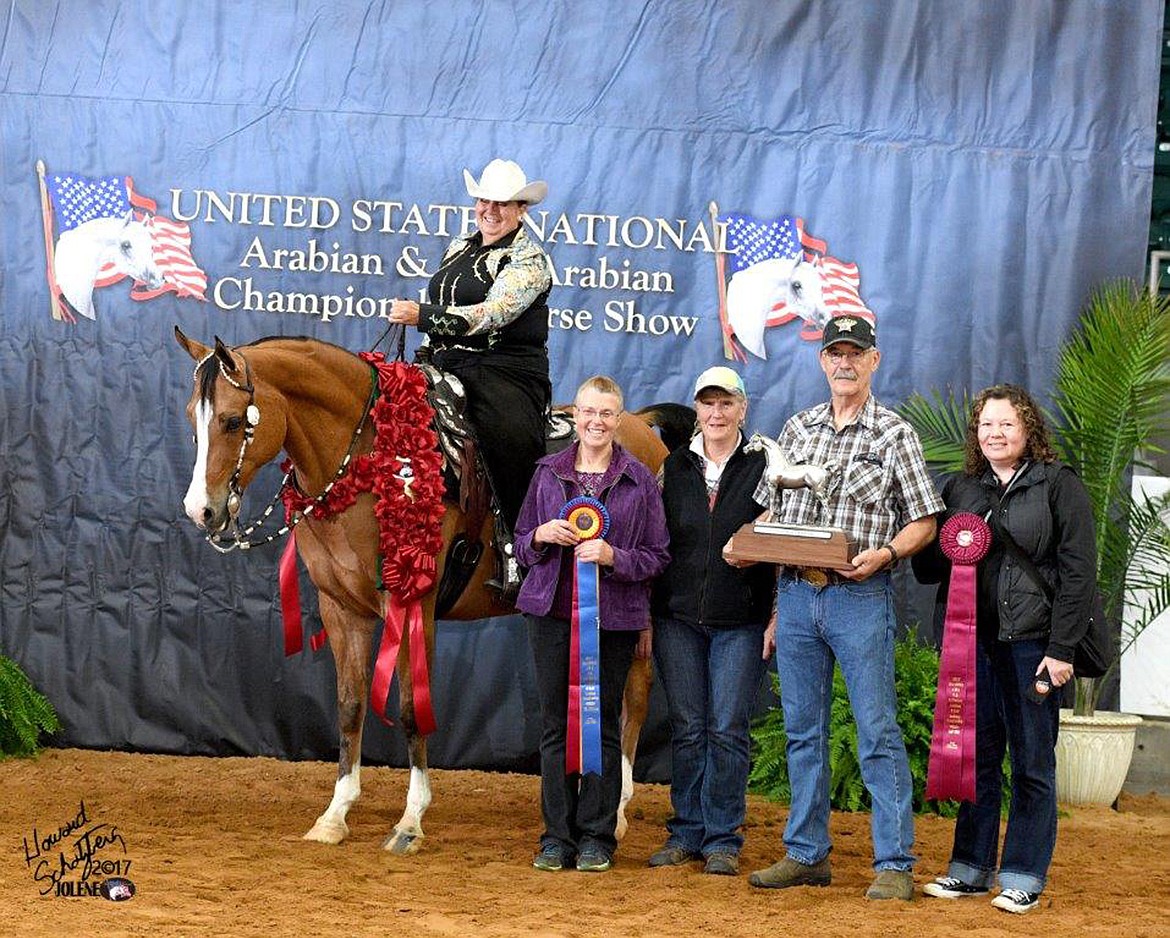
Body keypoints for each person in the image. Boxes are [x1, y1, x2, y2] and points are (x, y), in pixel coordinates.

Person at [748, 315, 944, 901]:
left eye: (855, 353)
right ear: (821, 360)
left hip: (860, 594)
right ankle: (807, 854)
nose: (844, 363)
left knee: (876, 730)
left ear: (874, 361)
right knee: (803, 731)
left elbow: (925, 522)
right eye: (835, 352)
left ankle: (894, 863)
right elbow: (767, 512)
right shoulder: (798, 429)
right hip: (798, 596)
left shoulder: (894, 434)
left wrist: (886, 553)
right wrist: (743, 544)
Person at [912, 384, 1095, 914]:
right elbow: (932, 571)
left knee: (1033, 761)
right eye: (986, 425)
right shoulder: (962, 487)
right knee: (978, 757)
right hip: (974, 647)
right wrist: (931, 536)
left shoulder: (1057, 485)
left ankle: (1023, 875)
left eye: (1006, 424)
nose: (995, 433)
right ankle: (970, 869)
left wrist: (1061, 649)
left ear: (1028, 430)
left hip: (1035, 645)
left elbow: (1079, 572)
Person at [514, 375, 670, 873]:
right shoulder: (546, 473)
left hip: (615, 618)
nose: (596, 422)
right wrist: (540, 534)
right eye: (588, 413)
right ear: (573, 418)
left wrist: (613, 556)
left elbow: (657, 556)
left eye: (606, 414)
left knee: (602, 724)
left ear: (618, 419)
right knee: (555, 727)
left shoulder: (639, 480)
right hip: (552, 614)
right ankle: (556, 837)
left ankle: (597, 837)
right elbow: (519, 545)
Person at [388, 158, 553, 591]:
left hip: (503, 371)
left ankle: (520, 548)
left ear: (522, 209)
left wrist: (423, 315)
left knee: (507, 435)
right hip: (445, 364)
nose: (491, 211)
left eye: (503, 204)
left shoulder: (529, 261)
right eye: (484, 201)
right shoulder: (460, 244)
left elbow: (491, 315)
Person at [648, 366, 775, 876]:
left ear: (743, 408)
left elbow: (785, 541)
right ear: (696, 410)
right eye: (708, 404)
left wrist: (775, 614)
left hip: (741, 620)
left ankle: (723, 837)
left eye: (727, 404)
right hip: (677, 618)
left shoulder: (767, 465)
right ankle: (686, 831)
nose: (717, 413)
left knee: (726, 728)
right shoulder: (673, 467)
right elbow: (656, 544)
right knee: (688, 727)